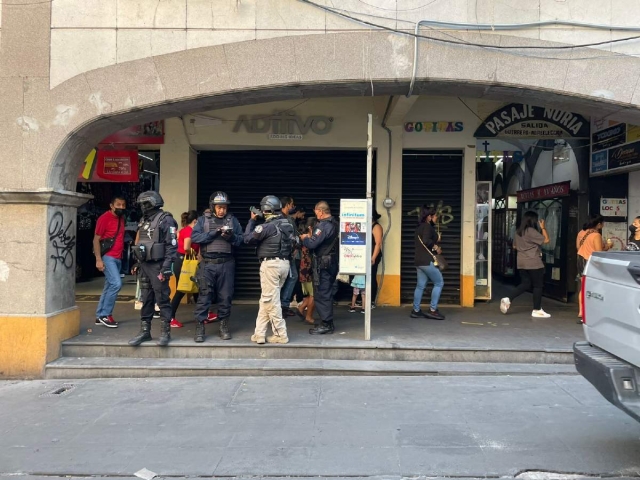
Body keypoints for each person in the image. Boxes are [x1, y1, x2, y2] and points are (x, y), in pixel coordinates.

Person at [190, 191, 243, 342]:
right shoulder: (203, 220)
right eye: (219, 207)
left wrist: (230, 237)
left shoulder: (232, 220)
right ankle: (200, 327)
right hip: (207, 264)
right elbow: (195, 237)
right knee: (204, 296)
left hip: (226, 263)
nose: (222, 210)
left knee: (225, 297)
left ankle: (223, 326)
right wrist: (213, 234)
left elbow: (241, 240)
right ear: (213, 207)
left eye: (224, 208)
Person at [128, 191, 178, 346]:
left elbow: (171, 246)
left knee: (162, 299)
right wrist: (137, 262)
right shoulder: (144, 220)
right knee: (146, 299)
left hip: (158, 265)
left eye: (144, 203)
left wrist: (165, 268)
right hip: (145, 265)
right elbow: (140, 241)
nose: (142, 207)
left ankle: (165, 332)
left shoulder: (166, 220)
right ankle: (145, 331)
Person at [244, 195, 295, 344]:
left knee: (271, 301)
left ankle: (281, 334)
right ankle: (259, 334)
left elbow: (247, 238)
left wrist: (252, 220)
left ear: (266, 209)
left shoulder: (267, 227)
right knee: (267, 299)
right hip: (284, 265)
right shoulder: (288, 224)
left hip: (271, 265)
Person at [500, 210, 551, 319]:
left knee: (526, 284)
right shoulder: (531, 231)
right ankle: (537, 309)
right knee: (538, 286)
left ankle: (508, 298)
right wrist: (543, 227)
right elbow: (546, 240)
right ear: (532, 220)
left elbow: (514, 246)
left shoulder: (518, 232)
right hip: (533, 262)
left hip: (521, 262)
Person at [300, 201, 339, 335]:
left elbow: (312, 244)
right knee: (326, 292)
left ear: (320, 211)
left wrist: (305, 238)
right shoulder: (335, 223)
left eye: (316, 211)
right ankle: (327, 322)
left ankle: (326, 324)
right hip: (332, 262)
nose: (315, 214)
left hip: (323, 263)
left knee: (322, 293)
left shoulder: (322, 225)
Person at [93, 195, 127, 328]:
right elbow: (96, 239)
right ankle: (105, 315)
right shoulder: (104, 218)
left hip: (118, 257)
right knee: (116, 284)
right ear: (111, 205)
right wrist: (98, 259)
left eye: (123, 205)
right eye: (118, 205)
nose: (121, 207)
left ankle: (99, 315)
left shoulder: (121, 218)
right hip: (108, 257)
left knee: (109, 286)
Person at [411, 206, 445, 320]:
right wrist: (436, 247)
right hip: (427, 261)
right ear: (429, 217)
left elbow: (424, 241)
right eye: (435, 216)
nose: (436, 218)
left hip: (419, 261)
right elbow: (426, 241)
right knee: (439, 283)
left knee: (420, 286)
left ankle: (416, 310)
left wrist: (435, 238)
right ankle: (433, 310)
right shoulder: (427, 227)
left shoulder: (419, 227)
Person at [576, 214, 611, 319]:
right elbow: (598, 252)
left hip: (580, 260)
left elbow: (578, 247)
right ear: (599, 224)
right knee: (594, 286)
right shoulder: (596, 235)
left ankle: (581, 312)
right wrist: (608, 246)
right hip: (590, 262)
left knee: (583, 287)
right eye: (603, 224)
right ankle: (594, 310)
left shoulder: (582, 232)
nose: (603, 226)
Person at [169, 210, 199, 328]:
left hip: (181, 261)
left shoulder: (183, 230)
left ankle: (203, 313)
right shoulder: (189, 231)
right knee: (181, 290)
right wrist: (195, 255)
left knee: (196, 288)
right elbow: (187, 247)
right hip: (184, 262)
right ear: (195, 221)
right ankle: (170, 318)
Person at [279, 196, 298, 317]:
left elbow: (295, 235)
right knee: (291, 277)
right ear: (287, 205)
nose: (293, 207)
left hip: (287, 254)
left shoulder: (287, 218)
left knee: (290, 278)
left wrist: (296, 247)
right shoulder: (282, 219)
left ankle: (282, 305)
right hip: (283, 255)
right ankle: (283, 306)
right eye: (292, 205)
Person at [296, 217, 317, 325]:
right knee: (314, 295)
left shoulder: (303, 239)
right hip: (309, 271)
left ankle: (301, 308)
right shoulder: (309, 240)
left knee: (309, 295)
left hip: (304, 270)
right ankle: (308, 316)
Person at [371, 208, 384, 307]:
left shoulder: (376, 227)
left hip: (373, 255)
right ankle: (362, 299)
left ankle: (371, 300)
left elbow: (378, 243)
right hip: (365, 255)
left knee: (371, 277)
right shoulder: (367, 226)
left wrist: (373, 257)